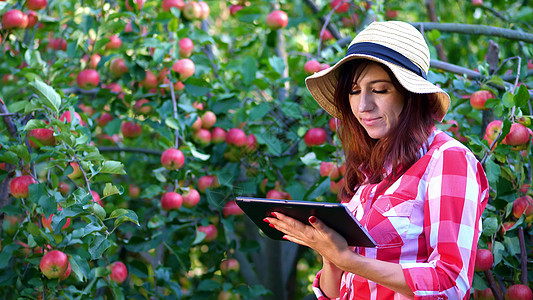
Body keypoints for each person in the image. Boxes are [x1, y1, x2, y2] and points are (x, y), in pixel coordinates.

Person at [264, 21, 489, 299]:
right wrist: (329, 254)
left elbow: (451, 282)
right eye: (354, 91)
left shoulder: (447, 159)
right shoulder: (368, 173)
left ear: (411, 96)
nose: (363, 106)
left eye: (380, 90)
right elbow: (336, 294)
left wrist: (350, 261)